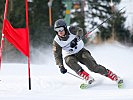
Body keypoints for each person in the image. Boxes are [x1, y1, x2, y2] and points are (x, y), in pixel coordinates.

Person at [52, 19, 123, 85]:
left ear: (64, 28)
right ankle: (87, 77)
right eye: (57, 30)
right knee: (68, 61)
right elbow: (57, 55)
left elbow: (79, 30)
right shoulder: (56, 41)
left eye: (61, 29)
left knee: (93, 67)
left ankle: (112, 75)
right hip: (70, 54)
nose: (59, 32)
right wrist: (60, 66)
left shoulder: (70, 29)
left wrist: (76, 39)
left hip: (81, 51)